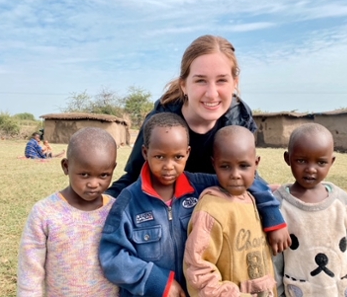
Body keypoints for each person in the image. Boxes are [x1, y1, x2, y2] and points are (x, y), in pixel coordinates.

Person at [106, 34, 290, 253]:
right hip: (169, 221)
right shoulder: (161, 121)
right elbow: (135, 178)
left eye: (221, 80)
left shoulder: (239, 118)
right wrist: (99, 204)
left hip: (217, 211)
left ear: (234, 83)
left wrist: (270, 207)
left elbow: (243, 172)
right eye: (200, 80)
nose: (212, 93)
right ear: (184, 84)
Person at [99, 113, 280, 297]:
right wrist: (158, 282)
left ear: (188, 153)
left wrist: (273, 214)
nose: (169, 166)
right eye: (160, 157)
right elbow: (112, 256)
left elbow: (242, 178)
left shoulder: (201, 187)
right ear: (145, 153)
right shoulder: (129, 201)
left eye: (177, 157)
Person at [17, 127, 120, 296]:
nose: (94, 183)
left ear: (113, 169)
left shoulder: (116, 210)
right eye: (85, 174)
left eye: (103, 175)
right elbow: (30, 269)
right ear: (66, 166)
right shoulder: (45, 213)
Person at [272, 123, 347, 297]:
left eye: (321, 162)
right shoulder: (279, 205)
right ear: (288, 158)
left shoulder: (342, 202)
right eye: (301, 160)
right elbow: (275, 263)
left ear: (331, 162)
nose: (311, 169)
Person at [184, 125, 276, 297]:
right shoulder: (210, 211)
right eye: (225, 166)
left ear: (256, 164)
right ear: (214, 164)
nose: (235, 174)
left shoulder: (253, 200)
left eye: (244, 166)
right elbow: (198, 272)